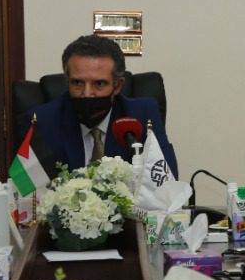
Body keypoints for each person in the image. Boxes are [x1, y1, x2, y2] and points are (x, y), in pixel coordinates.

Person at [29, 35, 177, 177]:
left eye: (99, 84)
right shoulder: (43, 121)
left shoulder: (142, 115)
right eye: (77, 83)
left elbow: (166, 180)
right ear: (67, 82)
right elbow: (27, 189)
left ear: (117, 86)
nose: (87, 94)